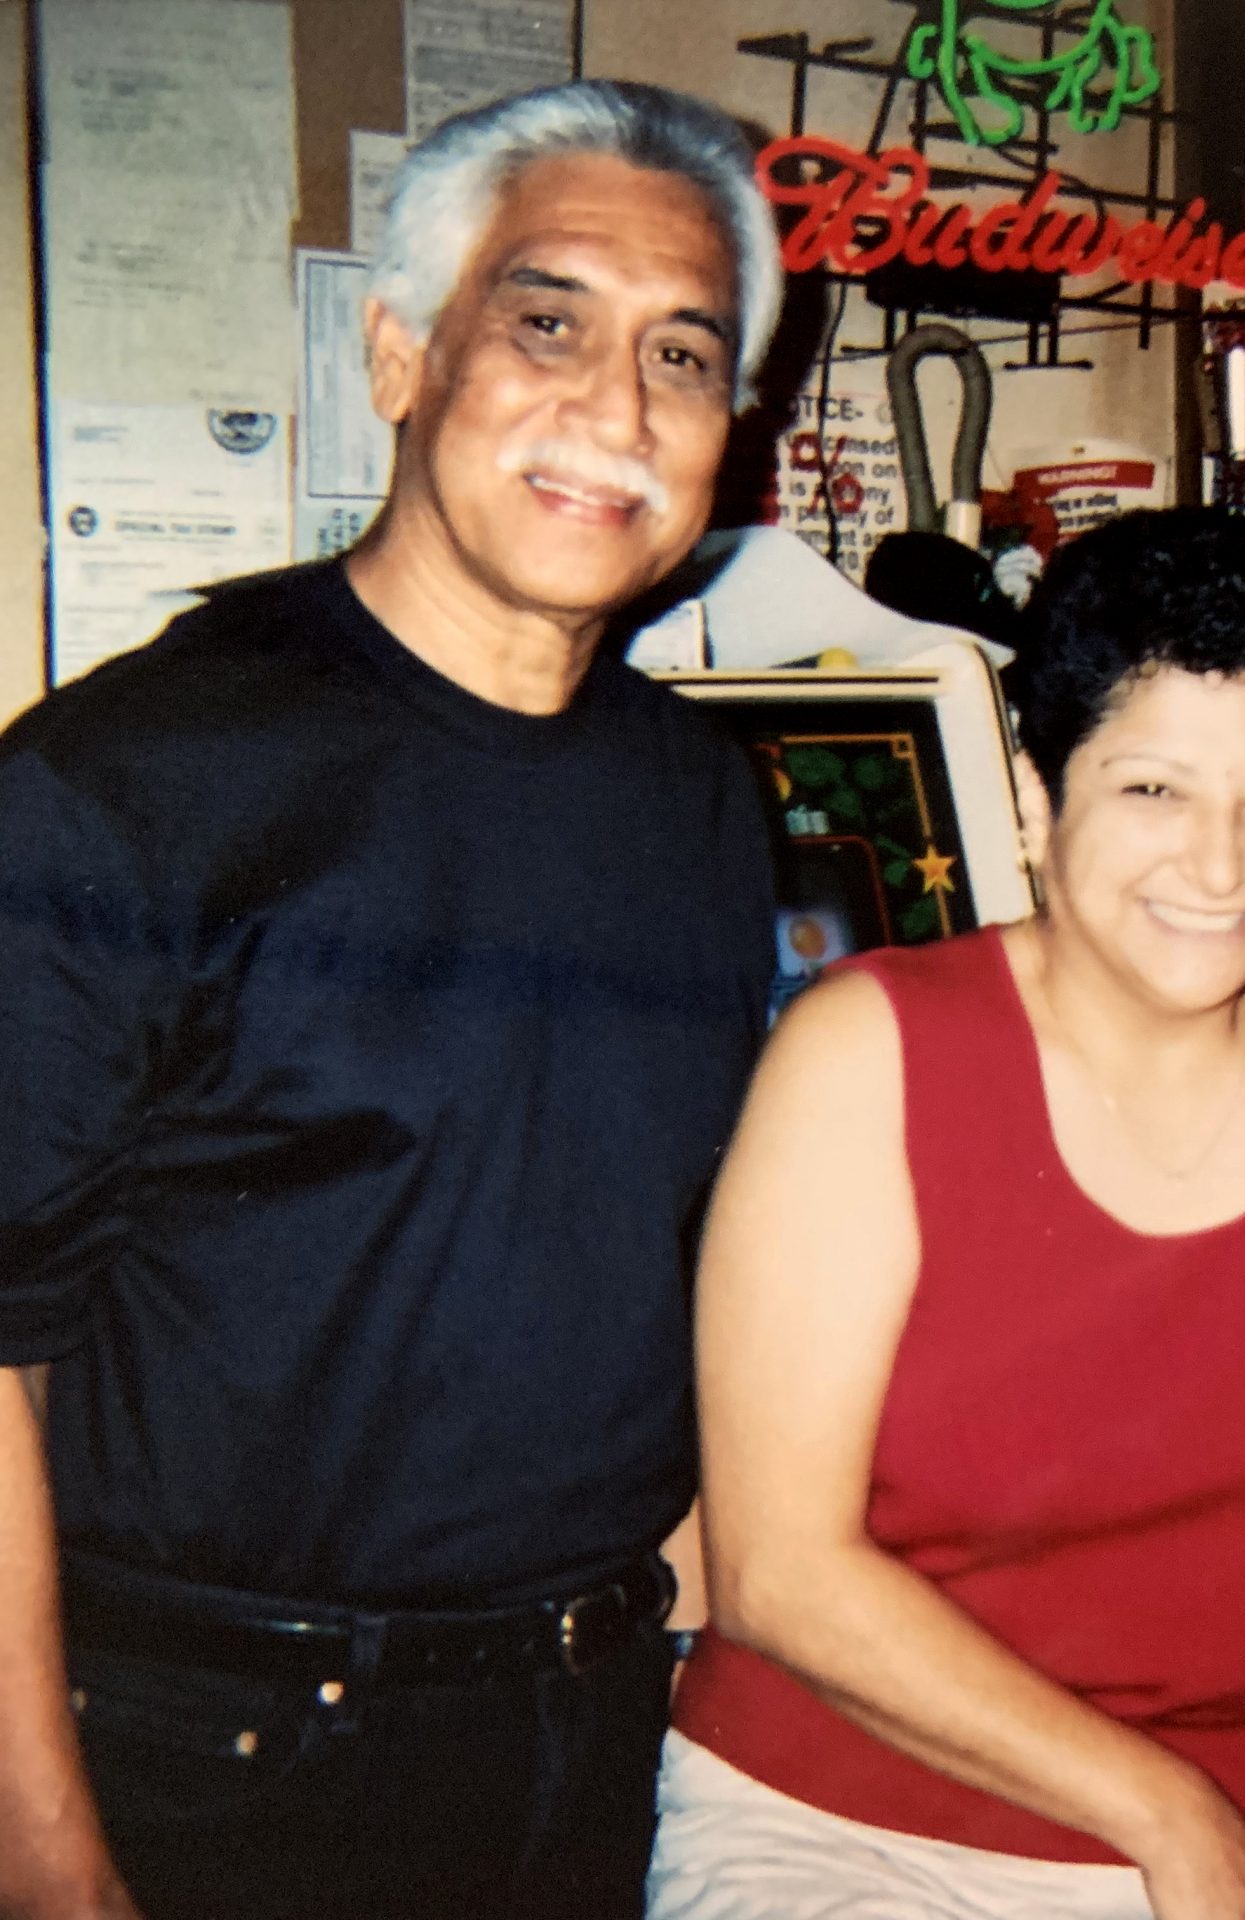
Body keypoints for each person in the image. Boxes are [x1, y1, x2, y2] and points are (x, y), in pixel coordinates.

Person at [0, 81, 784, 1920]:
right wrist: (45, 1865)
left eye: (683, 355)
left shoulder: (698, 801)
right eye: (547, 323)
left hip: (591, 1722)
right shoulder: (131, 781)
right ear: (400, 356)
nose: (618, 411)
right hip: (220, 1756)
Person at [649, 507, 1245, 1920]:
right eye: (1152, 788)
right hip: (852, 1825)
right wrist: (1166, 1813)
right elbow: (777, 1573)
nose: (1220, 865)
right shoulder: (871, 1055)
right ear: (1033, 800)